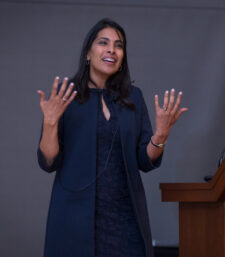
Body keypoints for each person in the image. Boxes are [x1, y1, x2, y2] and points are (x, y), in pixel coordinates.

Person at [36, 18, 187, 257]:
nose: (112, 50)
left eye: (119, 45)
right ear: (88, 53)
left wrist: (161, 135)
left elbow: (145, 160)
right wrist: (50, 122)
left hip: (125, 218)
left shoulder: (133, 98)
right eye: (103, 43)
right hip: (75, 218)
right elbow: (49, 161)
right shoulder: (67, 96)